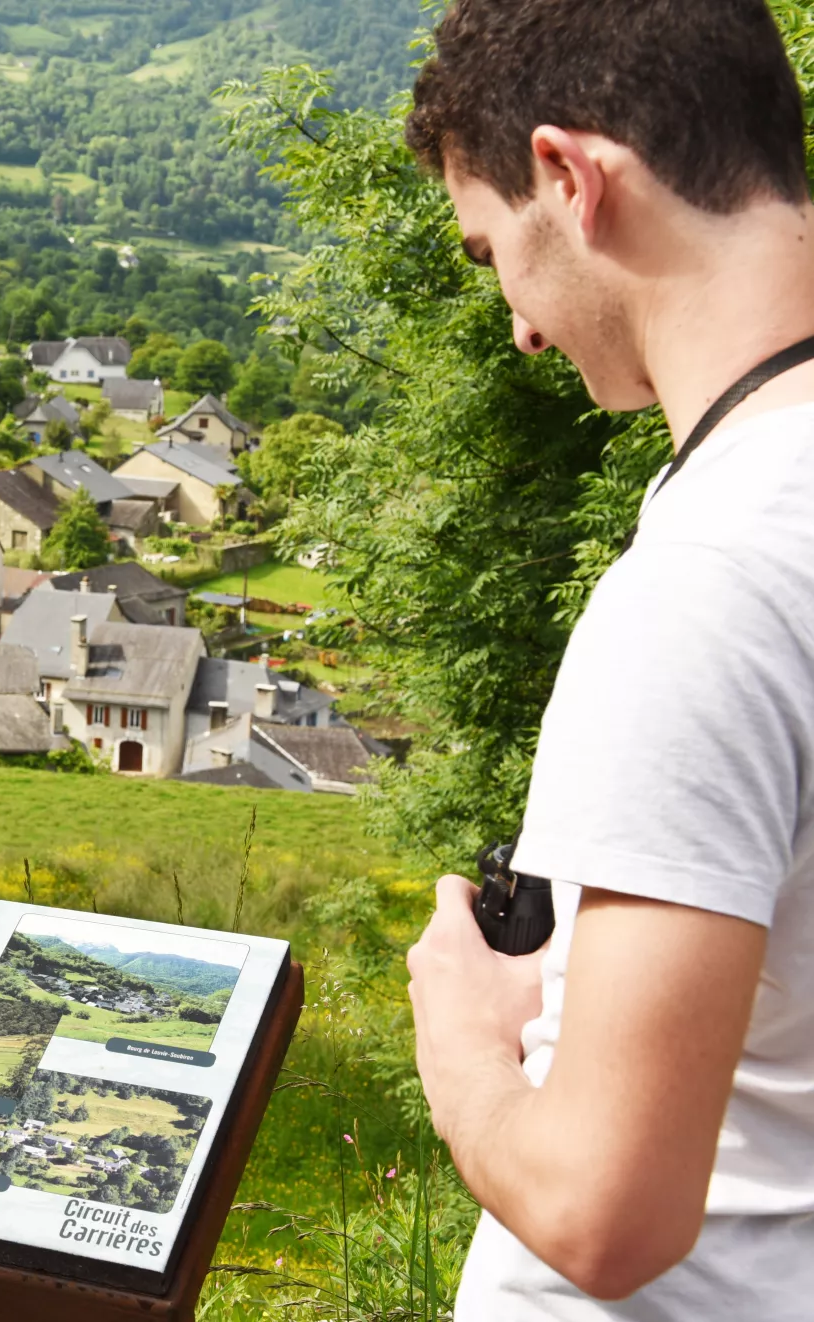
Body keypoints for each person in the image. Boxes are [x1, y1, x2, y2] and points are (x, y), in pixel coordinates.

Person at [402, 1, 814, 1317]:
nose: (519, 323)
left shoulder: (710, 584)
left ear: (571, 178)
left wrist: (469, 1044)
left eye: (491, 251)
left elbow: (606, 1206)